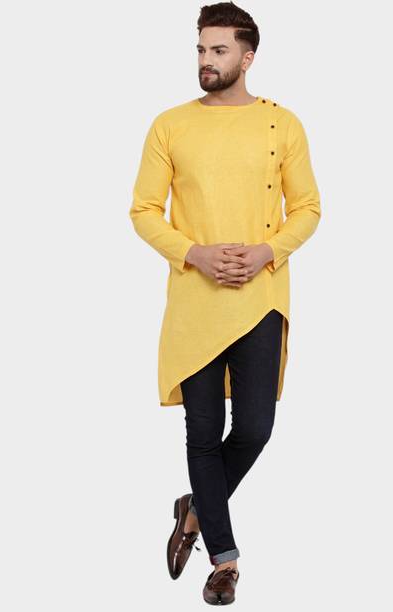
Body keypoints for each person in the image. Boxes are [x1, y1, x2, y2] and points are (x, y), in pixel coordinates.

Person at [129, 1, 321, 604]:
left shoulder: (282, 124)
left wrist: (268, 251)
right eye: (201, 49)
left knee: (257, 428)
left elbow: (308, 208)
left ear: (248, 56)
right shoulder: (170, 125)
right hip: (195, 302)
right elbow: (143, 211)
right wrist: (195, 254)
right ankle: (224, 561)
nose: (206, 60)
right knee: (203, 434)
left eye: (219, 50)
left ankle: (194, 510)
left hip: (261, 298)